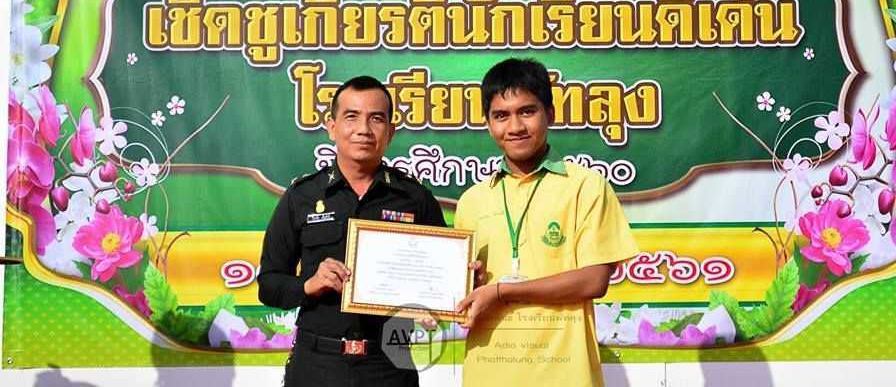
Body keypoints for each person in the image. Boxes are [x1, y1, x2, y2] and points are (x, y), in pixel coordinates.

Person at [454, 58, 638, 386]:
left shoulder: (586, 186)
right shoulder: (472, 200)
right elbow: (463, 292)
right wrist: (466, 286)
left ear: (550, 114)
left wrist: (501, 292)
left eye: (527, 111)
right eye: (501, 116)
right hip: (489, 373)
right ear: (488, 124)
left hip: (565, 374)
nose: (515, 127)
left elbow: (594, 280)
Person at [258, 75, 446, 387]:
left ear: (390, 131)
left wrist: (436, 304)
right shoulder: (301, 197)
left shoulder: (415, 198)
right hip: (317, 364)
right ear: (332, 127)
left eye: (376, 119)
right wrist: (310, 284)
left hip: (390, 366)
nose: (363, 129)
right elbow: (268, 285)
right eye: (351, 116)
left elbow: (440, 280)